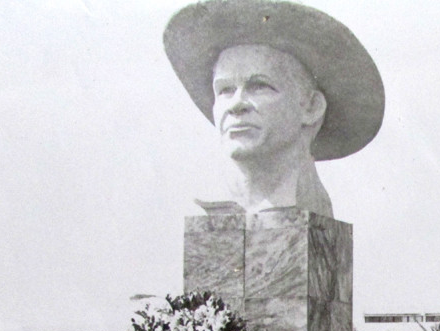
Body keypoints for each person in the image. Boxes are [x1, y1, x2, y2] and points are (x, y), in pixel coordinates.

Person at [164, 0, 384, 216]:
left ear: (311, 107)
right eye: (224, 90)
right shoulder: (215, 206)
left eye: (259, 86)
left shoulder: (307, 202)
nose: (236, 104)